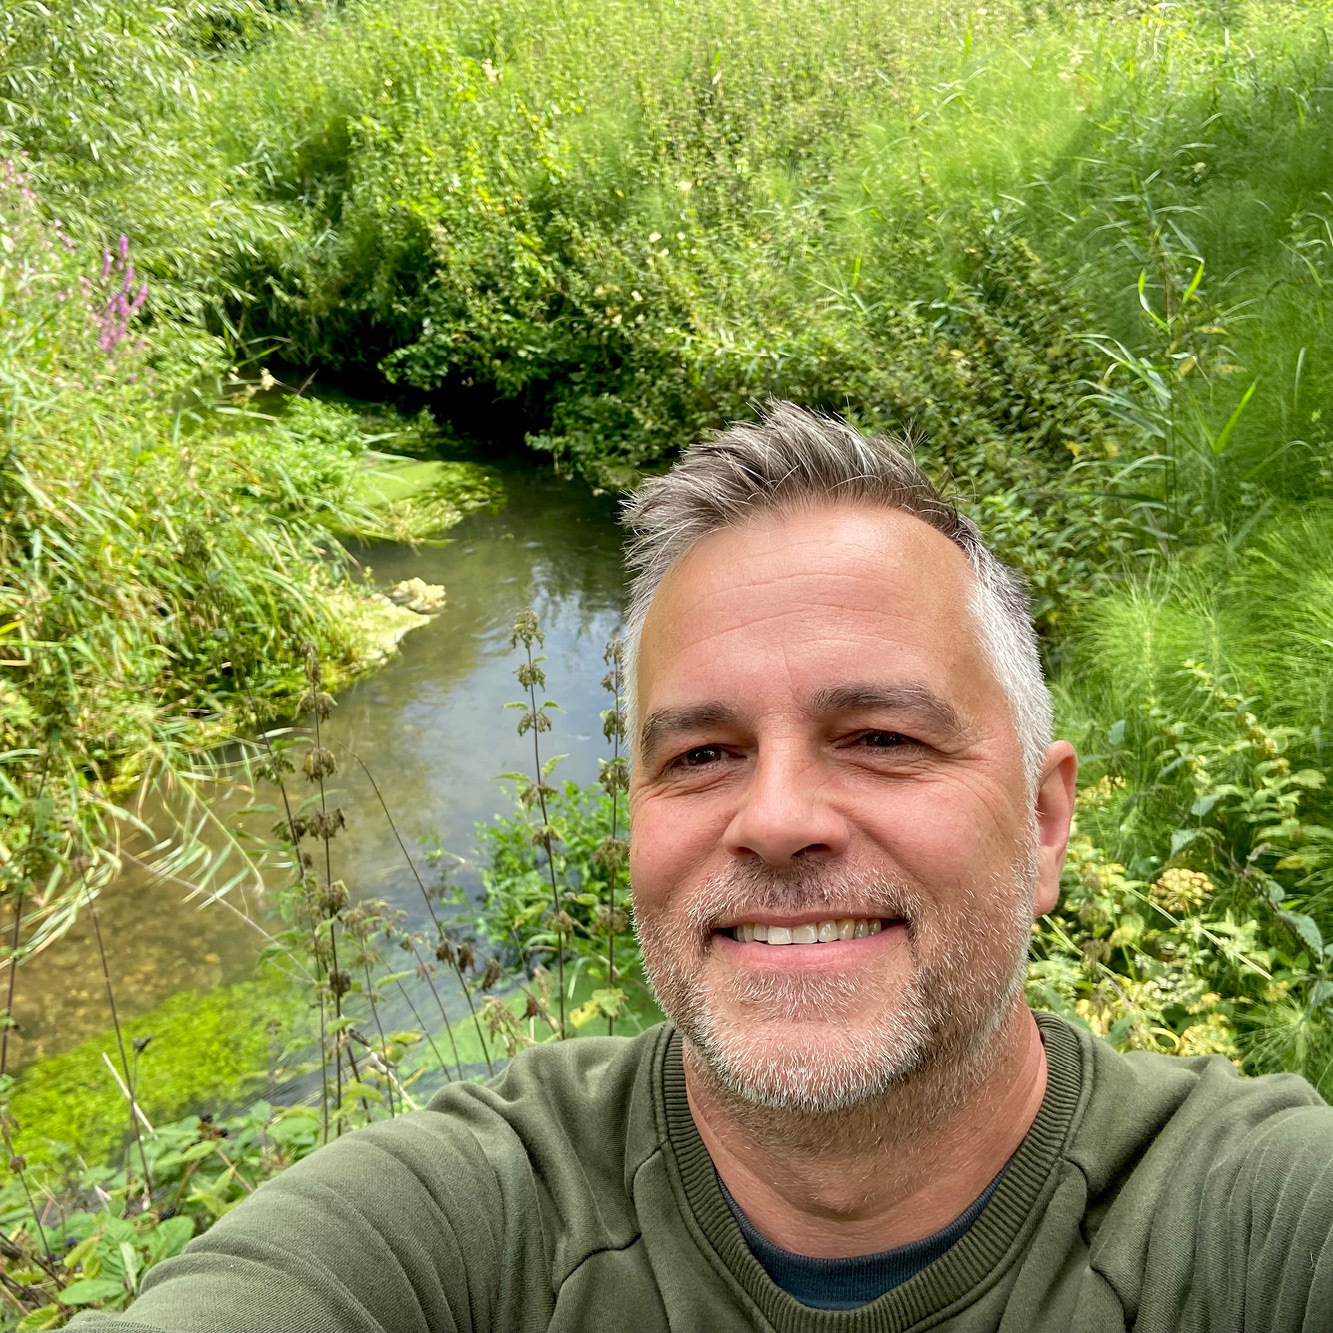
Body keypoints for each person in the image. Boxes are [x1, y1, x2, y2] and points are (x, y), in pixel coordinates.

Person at [76, 403, 1333, 1333]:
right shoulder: (476, 1219)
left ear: (1044, 824)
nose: (773, 818)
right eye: (702, 755)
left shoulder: (1246, 1220)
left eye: (880, 738)